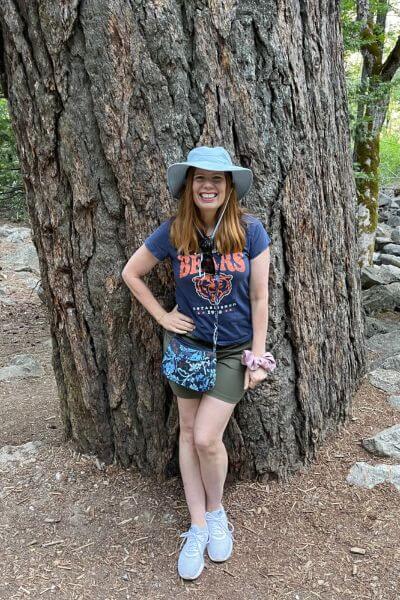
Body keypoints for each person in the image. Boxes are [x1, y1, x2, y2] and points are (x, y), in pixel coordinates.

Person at [122, 146, 273, 580]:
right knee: (188, 432)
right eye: (200, 179)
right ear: (189, 186)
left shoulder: (251, 231)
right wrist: (162, 315)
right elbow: (132, 273)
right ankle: (198, 526)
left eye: (217, 179)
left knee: (207, 437)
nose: (208, 186)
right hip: (187, 349)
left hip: (231, 351)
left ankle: (217, 510)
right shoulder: (173, 232)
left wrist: (257, 357)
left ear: (228, 188)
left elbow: (260, 298)